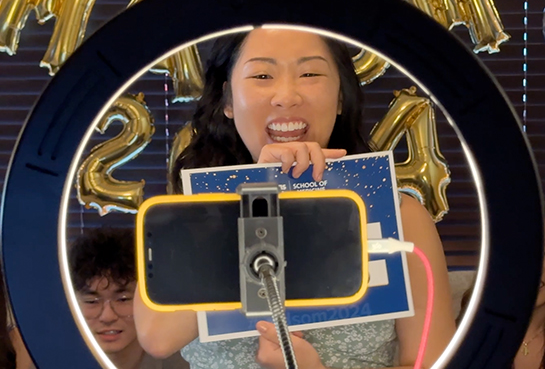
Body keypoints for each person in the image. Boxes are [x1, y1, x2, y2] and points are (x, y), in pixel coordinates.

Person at [134, 28, 456, 368]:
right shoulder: (191, 215)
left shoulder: (397, 214)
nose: (286, 96)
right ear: (227, 100)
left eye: (310, 74)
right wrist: (258, 190)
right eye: (262, 75)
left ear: (341, 96)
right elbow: (157, 336)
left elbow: (432, 361)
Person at [69, 227, 189, 369]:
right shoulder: (51, 359)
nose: (107, 317)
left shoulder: (184, 361)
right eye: (92, 301)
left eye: (123, 299)